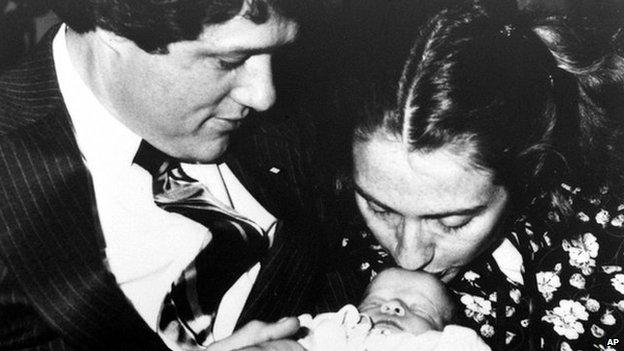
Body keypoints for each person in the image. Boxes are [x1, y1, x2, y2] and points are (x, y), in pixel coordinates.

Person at [0, 0, 349, 350]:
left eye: (276, 53)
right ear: (113, 27)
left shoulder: (295, 121)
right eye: (229, 61)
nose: (264, 96)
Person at [337, 0, 624, 350]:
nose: (409, 256)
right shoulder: (323, 232)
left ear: (529, 174)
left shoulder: (612, 250)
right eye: (379, 209)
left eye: (454, 222)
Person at [298, 268, 490, 351]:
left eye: (420, 310)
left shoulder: (442, 345)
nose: (393, 305)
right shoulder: (335, 330)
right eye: (375, 302)